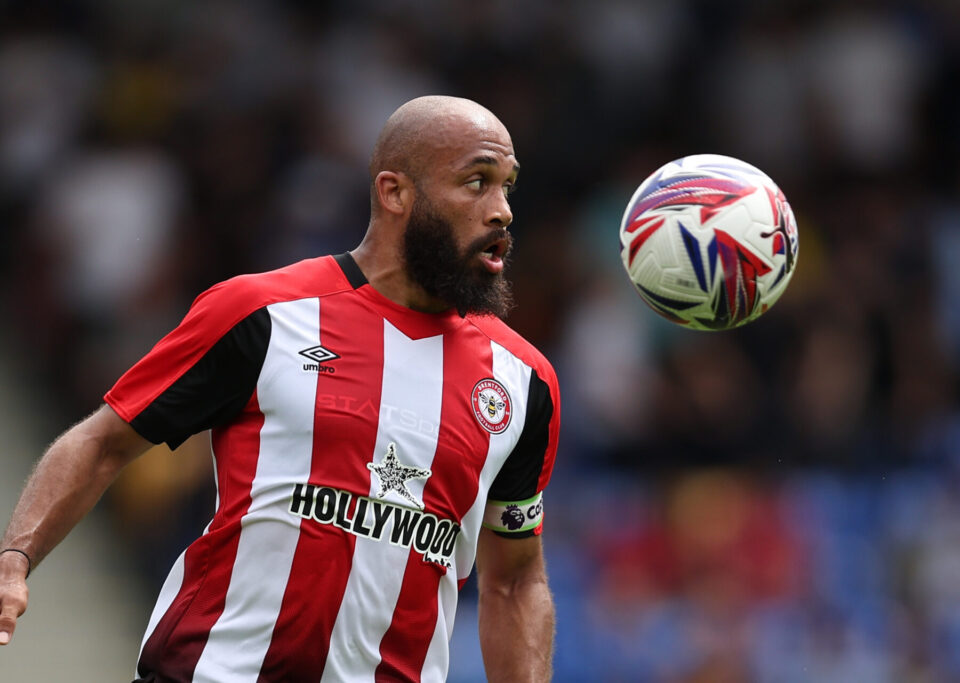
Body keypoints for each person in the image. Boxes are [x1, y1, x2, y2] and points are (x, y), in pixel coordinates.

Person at [0, 95, 560, 682]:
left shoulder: (524, 382)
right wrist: (16, 558)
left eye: (507, 187)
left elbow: (515, 580)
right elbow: (102, 443)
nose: (502, 211)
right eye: (476, 182)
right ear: (395, 192)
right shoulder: (264, 312)